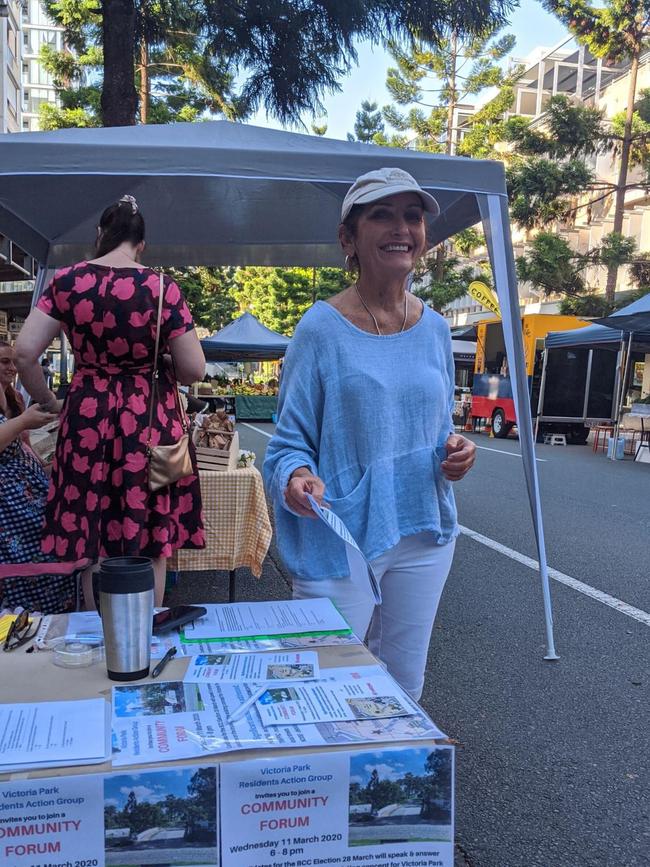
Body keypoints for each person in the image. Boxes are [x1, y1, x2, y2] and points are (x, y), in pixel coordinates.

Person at [264, 167, 476, 700]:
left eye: (412, 215)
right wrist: (297, 475)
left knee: (404, 684)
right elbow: (287, 443)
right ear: (348, 238)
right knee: (317, 683)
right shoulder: (319, 328)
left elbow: (439, 427)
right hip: (342, 536)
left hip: (423, 530)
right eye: (381, 215)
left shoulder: (434, 329)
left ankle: (381, 783)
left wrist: (457, 451)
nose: (401, 228)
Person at [15, 195, 206, 607]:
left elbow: (24, 354)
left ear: (100, 235)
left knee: (92, 539)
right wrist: (162, 357)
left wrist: (49, 401)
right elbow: (194, 370)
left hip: (86, 418)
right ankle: (144, 639)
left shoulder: (66, 282)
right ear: (142, 244)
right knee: (150, 542)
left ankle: (94, 643)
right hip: (147, 422)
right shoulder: (160, 287)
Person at [0, 341, 76, 612]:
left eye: (12, 361)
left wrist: (55, 465)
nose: (11, 367)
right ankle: (28, 617)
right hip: (8, 500)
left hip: (30, 484)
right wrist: (22, 422)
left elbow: (24, 449)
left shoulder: (15, 398)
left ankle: (56, 613)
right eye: (4, 362)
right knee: (41, 543)